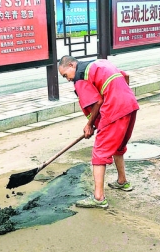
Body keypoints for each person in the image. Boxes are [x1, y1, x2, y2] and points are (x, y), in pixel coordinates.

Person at [58, 55, 139, 209]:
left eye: (65, 75)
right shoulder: (99, 63)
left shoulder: (80, 76)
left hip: (114, 110)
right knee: (118, 147)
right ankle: (122, 181)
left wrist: (89, 124)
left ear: (71, 65)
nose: (67, 79)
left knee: (100, 153)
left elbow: (97, 102)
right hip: (130, 105)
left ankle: (98, 198)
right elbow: (125, 76)